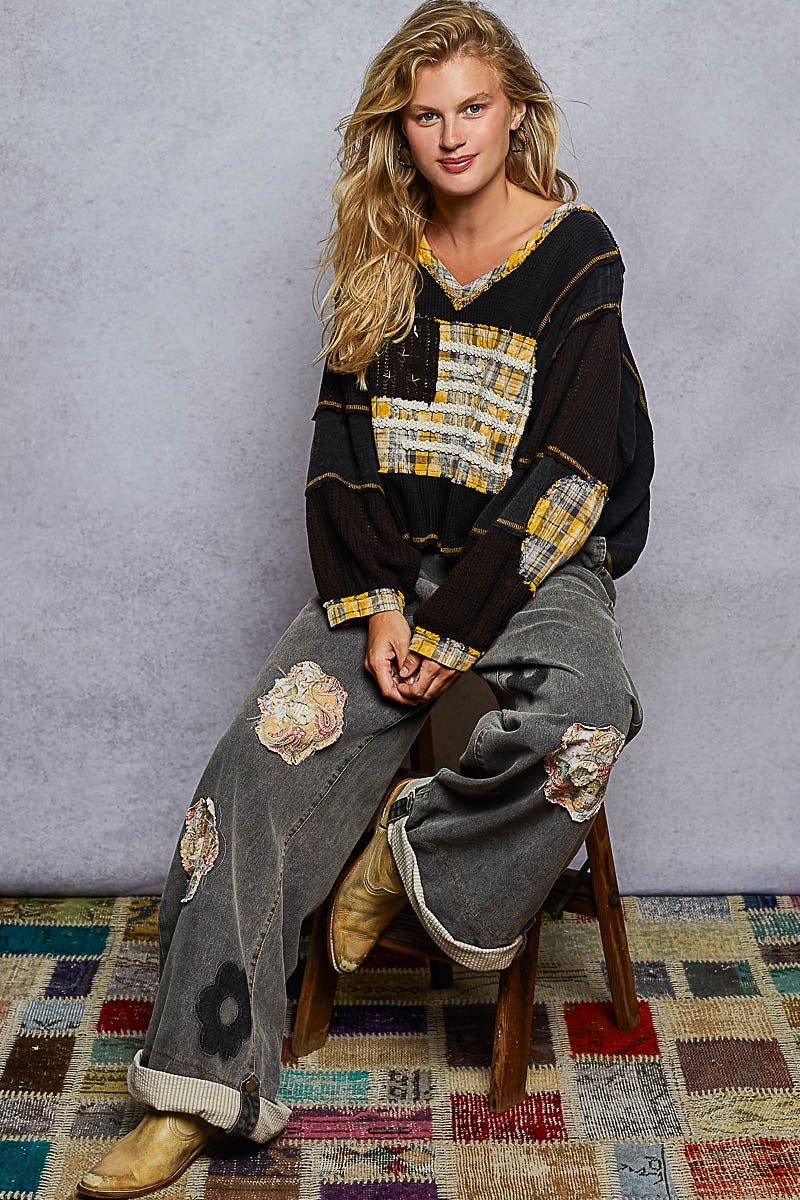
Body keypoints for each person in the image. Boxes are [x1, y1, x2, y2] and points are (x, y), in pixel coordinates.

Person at [77, 0, 653, 1194]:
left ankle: (405, 861)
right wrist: (385, 603)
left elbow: (571, 470)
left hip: (536, 566)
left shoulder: (576, 254)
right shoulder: (381, 251)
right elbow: (339, 455)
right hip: (395, 569)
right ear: (400, 127)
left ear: (516, 110)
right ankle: (196, 1088)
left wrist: (458, 625)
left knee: (588, 713)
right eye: (426, 115)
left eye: (473, 108)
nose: (452, 136)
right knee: (255, 759)